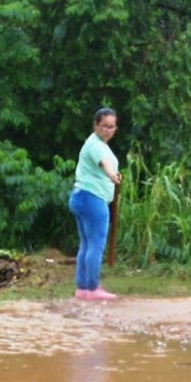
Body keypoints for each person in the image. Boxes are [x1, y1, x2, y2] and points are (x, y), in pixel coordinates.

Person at [68, 107, 122, 301]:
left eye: (112, 126)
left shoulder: (94, 143)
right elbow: (104, 163)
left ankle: (82, 288)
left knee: (86, 244)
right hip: (92, 198)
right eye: (104, 126)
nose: (108, 130)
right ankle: (92, 288)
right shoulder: (96, 145)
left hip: (81, 196)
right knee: (96, 244)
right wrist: (111, 175)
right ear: (96, 125)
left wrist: (112, 175)